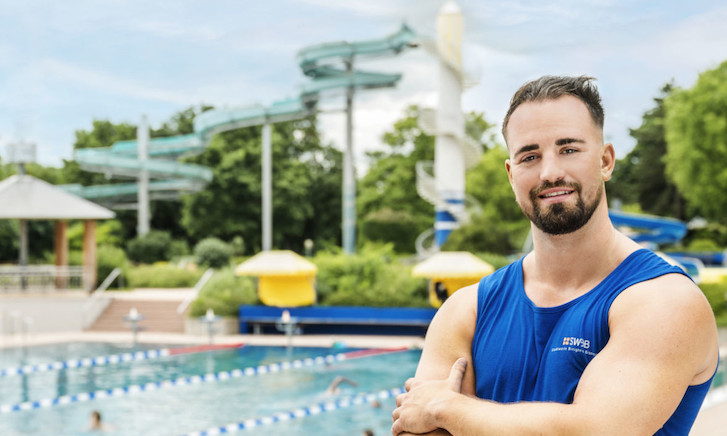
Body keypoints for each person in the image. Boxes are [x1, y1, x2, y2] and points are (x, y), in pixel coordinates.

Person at [391, 75, 719, 435]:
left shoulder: (665, 302)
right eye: (530, 156)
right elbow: (415, 428)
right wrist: (447, 413)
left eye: (569, 149)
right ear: (511, 173)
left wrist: (447, 409)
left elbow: (593, 431)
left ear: (606, 161)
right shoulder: (466, 310)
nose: (550, 172)